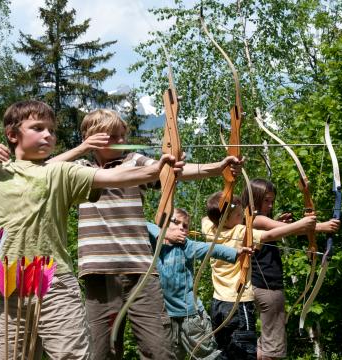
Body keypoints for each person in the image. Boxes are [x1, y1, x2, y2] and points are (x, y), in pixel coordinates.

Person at [0, 100, 184, 360]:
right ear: (12, 135)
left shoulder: (63, 172)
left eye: (52, 130)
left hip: (54, 282)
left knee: (71, 355)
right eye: (38, 128)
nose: (48, 135)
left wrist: (158, 169)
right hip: (10, 284)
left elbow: (114, 177)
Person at [49, 108, 243, 360]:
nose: (121, 141)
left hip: (141, 271)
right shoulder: (78, 168)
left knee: (158, 350)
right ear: (92, 137)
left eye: (122, 135)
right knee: (102, 351)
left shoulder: (134, 160)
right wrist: (82, 148)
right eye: (113, 136)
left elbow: (174, 172)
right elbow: (43, 171)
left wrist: (218, 168)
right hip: (99, 274)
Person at [201, 191, 316, 360]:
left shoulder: (209, 228)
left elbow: (208, 217)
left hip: (218, 302)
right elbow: (269, 235)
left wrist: (227, 198)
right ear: (225, 219)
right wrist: (302, 225)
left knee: (225, 350)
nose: (243, 217)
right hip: (239, 302)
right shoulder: (241, 231)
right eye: (239, 215)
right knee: (246, 350)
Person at [240, 179, 340, 360]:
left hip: (260, 286)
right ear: (254, 199)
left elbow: (277, 230)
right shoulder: (257, 219)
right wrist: (322, 227)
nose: (270, 205)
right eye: (266, 201)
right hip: (267, 288)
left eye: (272, 201)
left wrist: (277, 222)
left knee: (265, 344)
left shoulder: (251, 219)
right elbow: (292, 229)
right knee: (273, 349)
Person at [146, 208, 253, 360]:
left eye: (185, 226)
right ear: (162, 223)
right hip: (165, 318)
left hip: (191, 317)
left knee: (207, 356)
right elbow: (140, 224)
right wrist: (164, 234)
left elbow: (212, 248)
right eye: (175, 222)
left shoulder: (187, 246)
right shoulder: (152, 243)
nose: (181, 228)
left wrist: (237, 252)